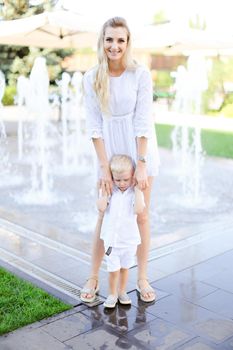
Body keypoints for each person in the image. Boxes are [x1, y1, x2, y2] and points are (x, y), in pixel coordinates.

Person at [81, 16, 160, 303]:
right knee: (105, 214)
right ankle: (93, 276)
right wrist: (104, 168)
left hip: (138, 148)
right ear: (102, 42)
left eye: (121, 40)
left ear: (128, 43)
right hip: (108, 152)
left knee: (141, 214)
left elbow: (143, 121)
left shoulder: (139, 74)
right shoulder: (90, 77)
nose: (115, 46)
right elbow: (93, 126)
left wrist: (141, 162)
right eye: (110, 39)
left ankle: (141, 277)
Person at [98, 155, 145, 308]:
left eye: (126, 179)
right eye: (118, 180)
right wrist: (104, 192)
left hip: (129, 240)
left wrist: (138, 189)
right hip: (112, 241)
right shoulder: (110, 191)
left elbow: (138, 210)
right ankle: (112, 294)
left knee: (125, 268)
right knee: (113, 269)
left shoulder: (134, 193)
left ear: (132, 177)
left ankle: (122, 291)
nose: (122, 183)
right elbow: (101, 208)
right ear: (112, 178)